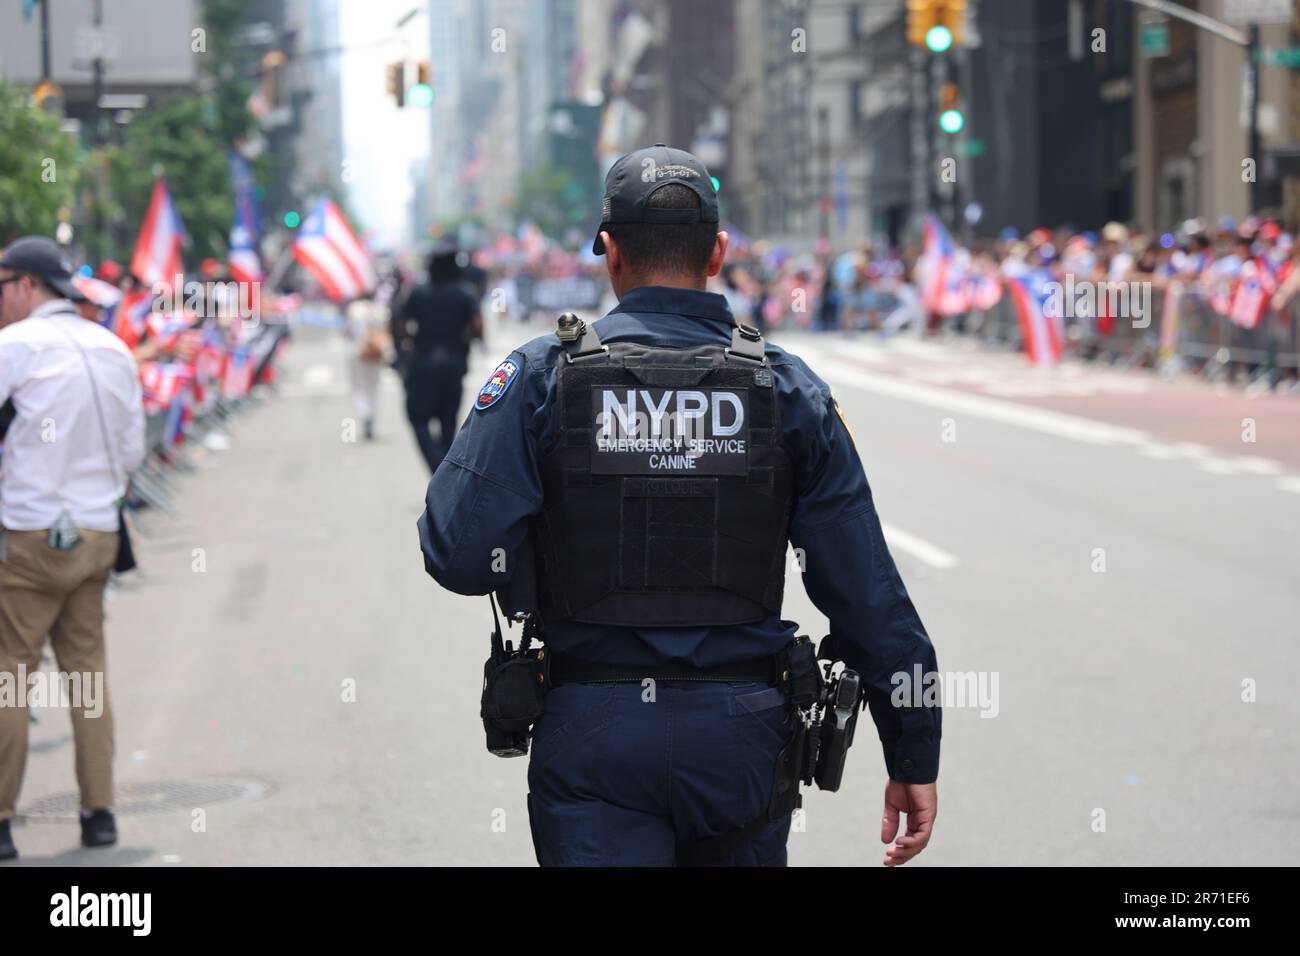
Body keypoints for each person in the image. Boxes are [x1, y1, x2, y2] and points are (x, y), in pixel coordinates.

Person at [417, 145, 941, 867]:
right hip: (741, 740)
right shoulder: (787, 390)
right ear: (718, 250)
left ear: (609, 251)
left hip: (593, 733)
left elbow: (457, 553)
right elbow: (867, 592)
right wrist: (913, 746)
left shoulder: (541, 377)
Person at [0, 237, 145, 861]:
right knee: (87, 673)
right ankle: (100, 814)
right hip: (97, 533)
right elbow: (134, 449)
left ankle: (2, 822)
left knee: (10, 677)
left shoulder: (14, 347)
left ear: (28, 285)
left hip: (29, 536)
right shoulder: (113, 347)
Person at [394, 247, 482, 472]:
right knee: (448, 422)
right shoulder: (465, 292)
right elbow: (477, 327)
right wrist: (464, 339)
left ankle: (438, 468)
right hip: (454, 364)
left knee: (417, 417)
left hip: (423, 364)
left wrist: (411, 342)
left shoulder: (419, 292)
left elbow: (401, 324)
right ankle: (445, 471)